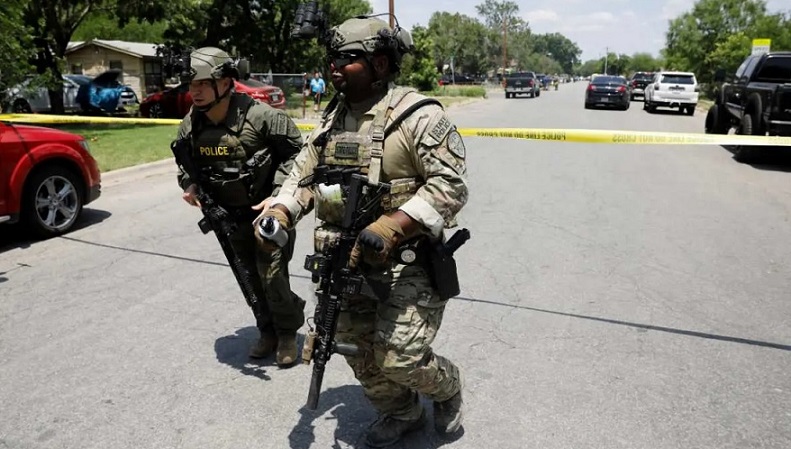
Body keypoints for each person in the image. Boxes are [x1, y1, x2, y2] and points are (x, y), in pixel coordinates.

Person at [256, 16, 468, 447]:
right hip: (344, 262)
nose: (334, 67)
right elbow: (304, 176)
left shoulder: (418, 115)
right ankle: (402, 412)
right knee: (356, 351)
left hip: (409, 265)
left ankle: (447, 388)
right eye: (331, 58)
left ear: (381, 63)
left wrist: (393, 226)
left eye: (347, 59)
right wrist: (280, 211)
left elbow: (450, 186)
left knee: (399, 358)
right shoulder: (332, 119)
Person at [174, 46, 306, 367]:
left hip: (268, 212)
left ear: (225, 82)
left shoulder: (261, 117)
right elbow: (184, 165)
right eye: (192, 85)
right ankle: (267, 329)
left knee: (272, 274)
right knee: (247, 275)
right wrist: (189, 185)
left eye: (203, 84)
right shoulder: (191, 126)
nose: (196, 92)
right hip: (227, 216)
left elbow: (297, 155)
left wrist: (278, 194)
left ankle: (287, 332)